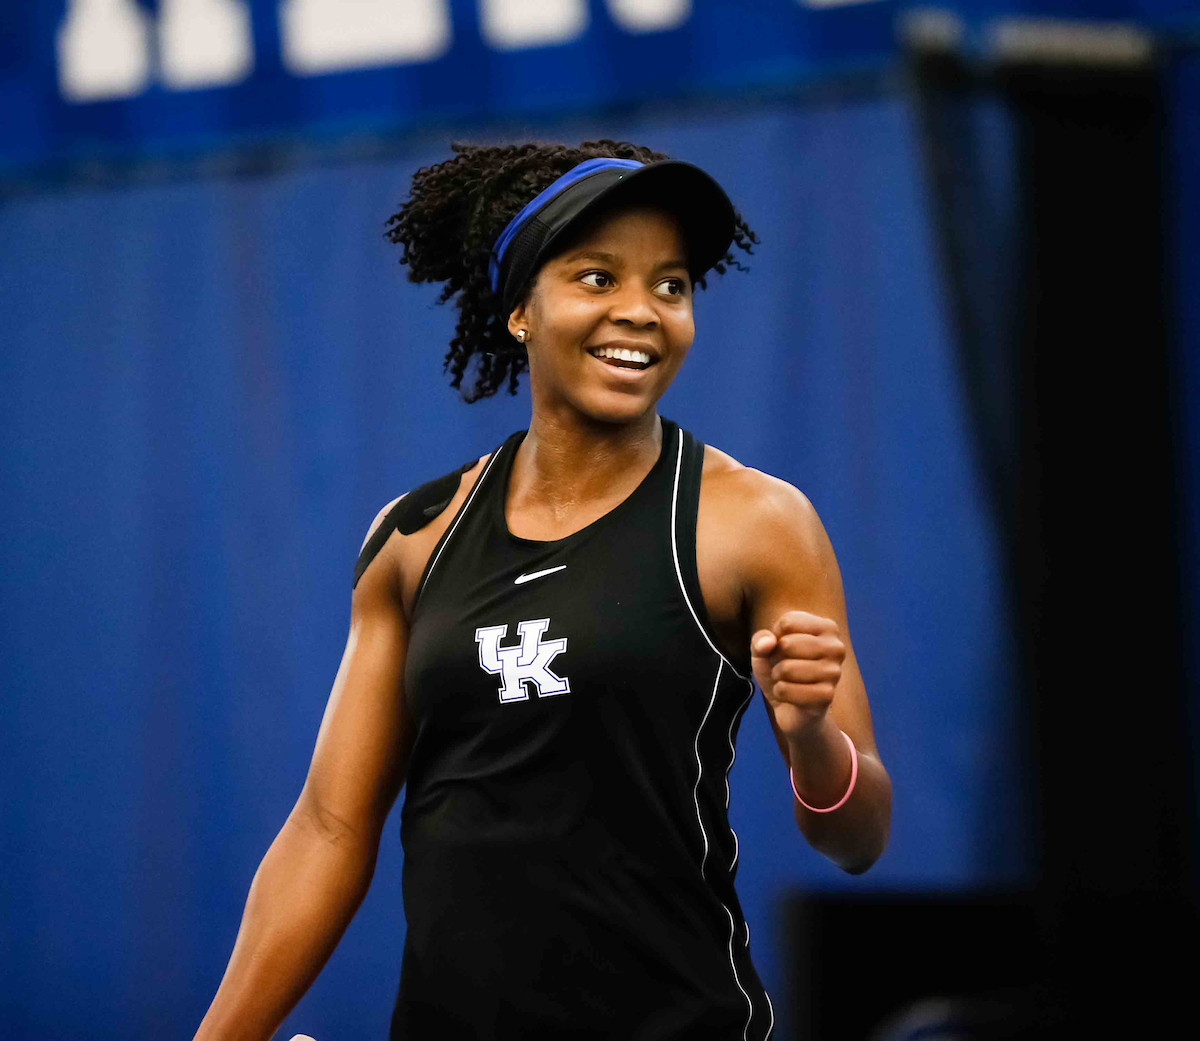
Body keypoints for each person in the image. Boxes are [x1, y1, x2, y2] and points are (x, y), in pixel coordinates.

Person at [192, 139, 891, 1041]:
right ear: (521, 309)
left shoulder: (757, 521)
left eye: (672, 285)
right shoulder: (414, 538)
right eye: (598, 278)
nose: (641, 310)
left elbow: (858, 838)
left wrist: (812, 736)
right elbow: (328, 827)